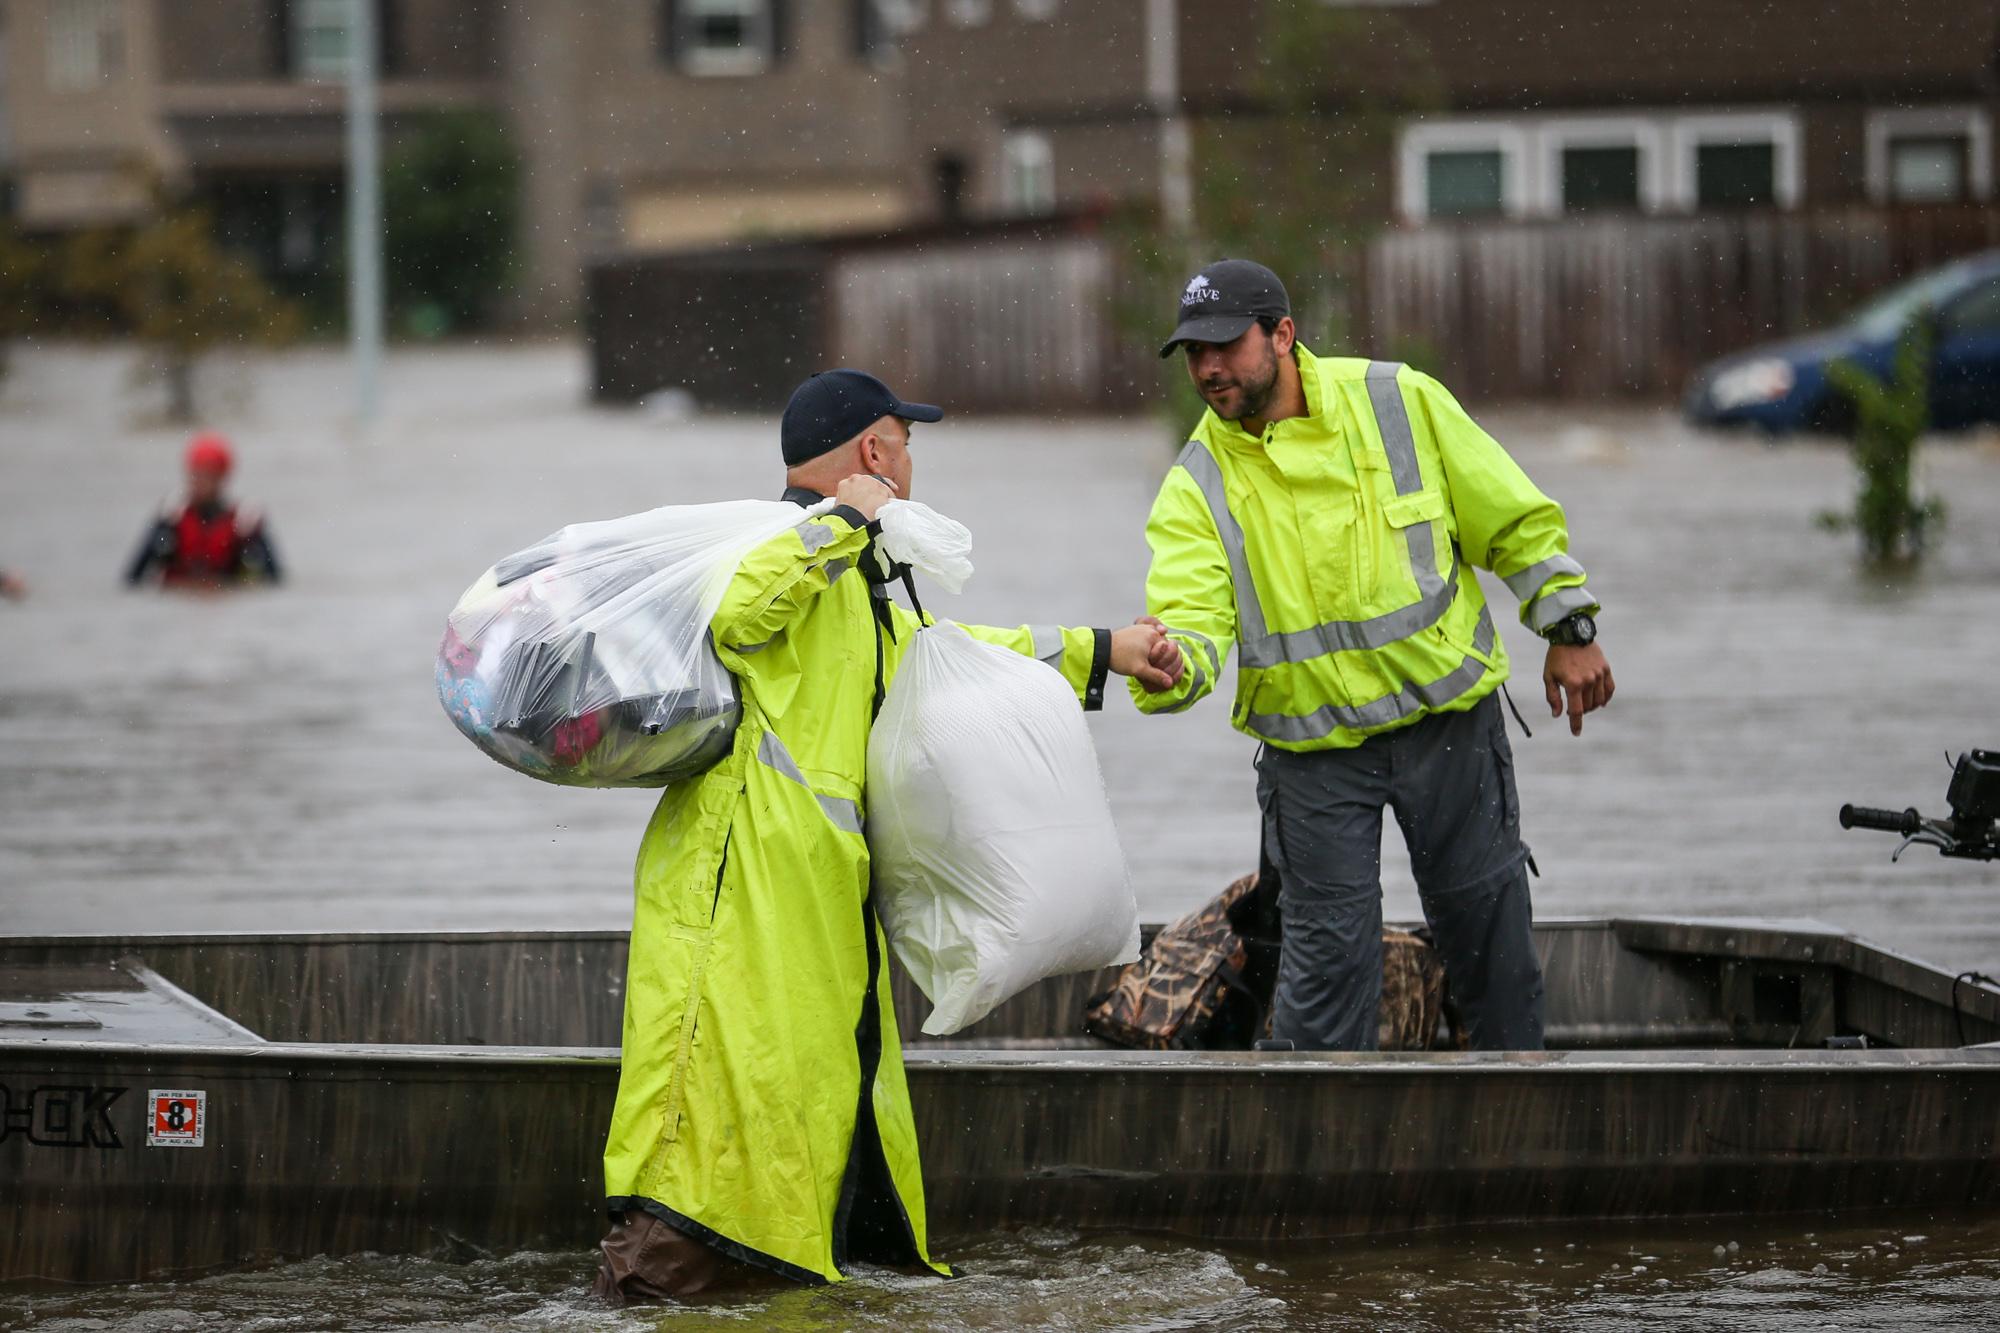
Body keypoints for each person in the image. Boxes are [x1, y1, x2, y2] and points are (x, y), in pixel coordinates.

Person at [593, 368, 1178, 1303]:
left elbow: (957, 666)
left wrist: (1107, 649)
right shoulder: (779, 546)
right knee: (711, 1090)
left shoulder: (861, 581)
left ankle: (789, 1281)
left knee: (812, 1086)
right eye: (906, 444)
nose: (913, 463)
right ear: (874, 452)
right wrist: (847, 518)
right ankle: (652, 1287)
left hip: (816, 887)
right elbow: (739, 613)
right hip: (737, 886)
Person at [1132, 258, 1615, 1053]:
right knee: (1325, 969)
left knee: (1489, 941)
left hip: (1449, 723)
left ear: (1282, 335)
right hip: (1314, 757)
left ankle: (1516, 1120)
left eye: (1225, 345)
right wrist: (1174, 664)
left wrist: (1570, 630)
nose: (1208, 368)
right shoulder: (1195, 484)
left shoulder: (1398, 399)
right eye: (1193, 353)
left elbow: (1513, 518)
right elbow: (1190, 615)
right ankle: (1324, 1155)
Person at [125, 433, 282, 588]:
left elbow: (275, 580)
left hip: (225, 594)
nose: (201, 482)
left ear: (223, 477)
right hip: (180, 597)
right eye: (196, 474)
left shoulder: (244, 523)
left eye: (209, 475)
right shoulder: (171, 518)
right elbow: (133, 578)